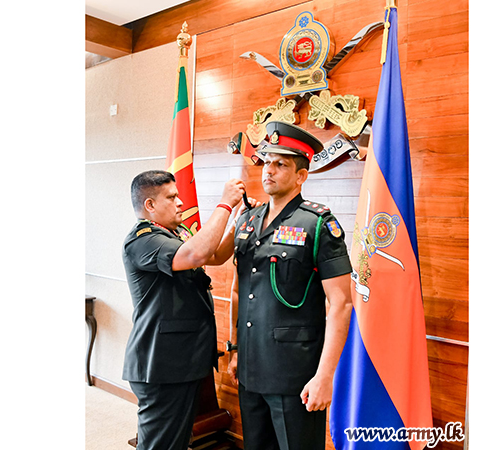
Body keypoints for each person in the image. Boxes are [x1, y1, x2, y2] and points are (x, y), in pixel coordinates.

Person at [227, 122, 354, 450]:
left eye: (281, 164)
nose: (269, 170)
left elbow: (341, 304)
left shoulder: (318, 223)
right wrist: (235, 349)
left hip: (296, 375)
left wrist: (325, 376)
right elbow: (238, 290)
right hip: (251, 368)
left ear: (301, 176)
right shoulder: (247, 220)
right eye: (267, 162)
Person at [121, 170, 247, 450]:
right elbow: (196, 254)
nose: (180, 203)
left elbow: (215, 254)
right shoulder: (143, 239)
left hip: (182, 362)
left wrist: (237, 223)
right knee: (160, 445)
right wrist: (225, 204)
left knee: (176, 442)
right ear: (150, 205)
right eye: (171, 197)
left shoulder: (175, 233)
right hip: (161, 366)